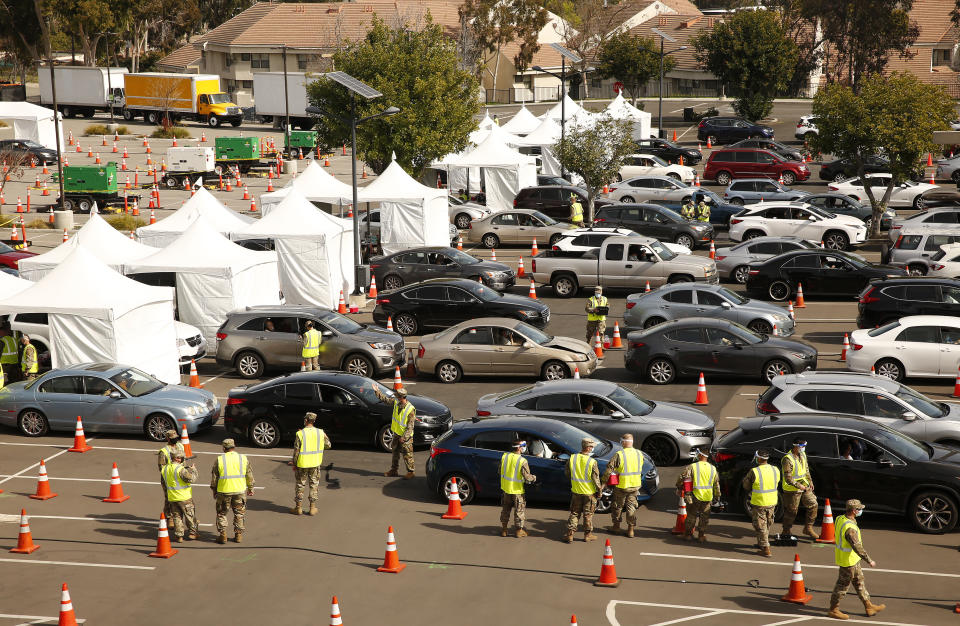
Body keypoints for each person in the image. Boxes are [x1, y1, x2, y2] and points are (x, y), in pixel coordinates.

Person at [829, 499, 885, 620]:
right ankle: (833, 609)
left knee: (859, 582)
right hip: (848, 562)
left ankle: (869, 606)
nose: (861, 511)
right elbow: (857, 547)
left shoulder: (840, 518)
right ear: (854, 511)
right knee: (842, 587)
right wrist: (869, 560)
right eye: (859, 509)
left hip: (853, 560)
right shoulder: (850, 529)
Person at [210, 439, 255, 544]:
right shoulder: (243, 458)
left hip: (224, 491)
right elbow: (249, 474)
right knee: (239, 513)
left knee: (222, 513)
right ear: (234, 447)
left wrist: (214, 490)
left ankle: (223, 535)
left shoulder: (220, 459)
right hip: (239, 491)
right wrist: (251, 488)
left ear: (224, 448)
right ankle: (238, 535)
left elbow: (214, 478)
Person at [601, 433, 644, 538]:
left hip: (622, 486)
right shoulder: (639, 454)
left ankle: (616, 527)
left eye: (621, 441)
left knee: (617, 506)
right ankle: (631, 530)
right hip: (634, 486)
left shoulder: (620, 454)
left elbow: (609, 470)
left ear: (624, 442)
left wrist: (603, 483)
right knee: (631, 507)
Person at [290, 412, 332, 516]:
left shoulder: (300, 433)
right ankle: (312, 508)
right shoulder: (320, 432)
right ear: (314, 421)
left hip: (302, 464)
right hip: (315, 463)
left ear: (305, 420)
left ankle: (298, 508)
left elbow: (296, 452)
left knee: (300, 485)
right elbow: (328, 445)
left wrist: (294, 464)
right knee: (314, 485)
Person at [742, 448, 780, 557]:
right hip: (772, 501)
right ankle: (761, 544)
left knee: (760, 526)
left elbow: (746, 486)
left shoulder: (754, 471)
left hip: (760, 502)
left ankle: (766, 548)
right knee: (767, 524)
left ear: (758, 458)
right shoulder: (775, 469)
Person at [373, 384, 416, 479]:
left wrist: (404, 437)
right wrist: (377, 391)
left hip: (406, 437)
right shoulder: (396, 402)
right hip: (396, 434)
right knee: (395, 453)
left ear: (401, 397)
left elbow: (410, 427)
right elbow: (385, 400)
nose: (395, 397)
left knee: (407, 454)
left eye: (397, 396)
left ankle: (410, 472)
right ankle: (394, 470)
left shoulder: (410, 410)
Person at [676, 448, 719, 542]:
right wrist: (717, 496)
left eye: (698, 453)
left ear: (701, 455)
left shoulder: (693, 466)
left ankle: (687, 535)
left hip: (695, 496)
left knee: (691, 515)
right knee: (704, 517)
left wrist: (679, 487)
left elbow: (682, 477)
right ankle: (701, 536)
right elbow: (716, 484)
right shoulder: (713, 468)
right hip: (707, 497)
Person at [563, 438, 601, 543]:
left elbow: (567, 473)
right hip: (589, 493)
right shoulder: (592, 462)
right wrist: (599, 491)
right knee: (587, 515)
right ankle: (587, 535)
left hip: (576, 491)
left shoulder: (572, 458)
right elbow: (596, 479)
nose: (592, 448)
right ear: (588, 448)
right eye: (592, 447)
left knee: (574, 513)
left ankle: (570, 535)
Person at [781, 438, 819, 540]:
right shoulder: (787, 459)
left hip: (804, 486)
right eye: (802, 446)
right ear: (796, 446)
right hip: (791, 489)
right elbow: (788, 479)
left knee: (813, 505)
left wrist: (810, 481)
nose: (804, 448)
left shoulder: (803, 455)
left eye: (804, 446)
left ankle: (808, 528)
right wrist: (799, 486)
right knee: (791, 511)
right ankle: (786, 530)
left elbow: (806, 469)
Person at [499, 440, 536, 537]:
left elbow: (500, 471)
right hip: (517, 491)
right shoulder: (522, 461)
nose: (524, 447)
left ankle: (504, 530)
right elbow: (527, 477)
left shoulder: (505, 457)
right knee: (519, 511)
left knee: (505, 510)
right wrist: (534, 477)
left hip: (506, 489)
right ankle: (519, 531)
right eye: (523, 445)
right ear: (519, 448)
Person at [161, 451, 199, 542]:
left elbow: (164, 483)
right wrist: (194, 470)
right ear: (178, 458)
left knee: (177, 516)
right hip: (184, 497)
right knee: (190, 516)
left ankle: (179, 536)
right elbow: (192, 479)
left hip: (172, 497)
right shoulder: (180, 469)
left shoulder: (165, 469)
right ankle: (192, 533)